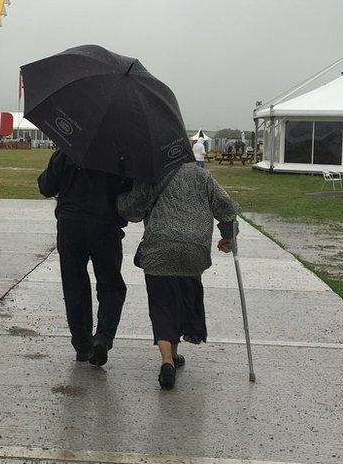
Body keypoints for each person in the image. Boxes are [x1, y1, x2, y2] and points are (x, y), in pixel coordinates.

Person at [117, 161, 239, 390]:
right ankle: (174, 355)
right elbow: (226, 207)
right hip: (194, 249)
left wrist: (120, 193)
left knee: (162, 303)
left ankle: (166, 361)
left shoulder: (151, 173)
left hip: (159, 249)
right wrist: (228, 235)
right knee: (183, 298)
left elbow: (130, 211)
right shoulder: (202, 176)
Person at [38, 149, 130, 366]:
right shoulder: (119, 155)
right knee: (111, 285)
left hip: (70, 224)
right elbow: (129, 194)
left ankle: (82, 345)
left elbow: (46, 186)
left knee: (74, 285)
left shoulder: (66, 152)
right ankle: (104, 337)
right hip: (105, 225)